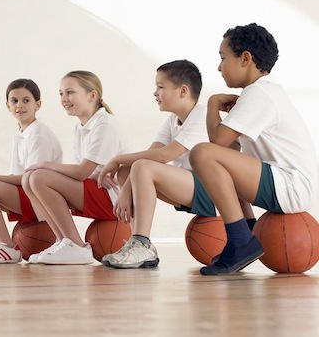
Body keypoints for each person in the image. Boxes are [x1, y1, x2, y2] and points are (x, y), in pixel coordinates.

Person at [189, 23, 318, 275]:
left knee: (201, 153)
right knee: (217, 161)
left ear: (245, 58)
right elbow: (228, 149)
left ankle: (241, 240)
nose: (219, 67)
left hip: (291, 185)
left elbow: (216, 143)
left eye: (223, 58)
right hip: (289, 183)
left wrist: (212, 103)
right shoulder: (262, 93)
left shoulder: (259, 93)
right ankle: (246, 231)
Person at [96, 60, 209, 269]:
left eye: (160, 87)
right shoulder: (173, 120)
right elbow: (150, 154)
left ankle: (141, 242)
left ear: (183, 91)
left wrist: (116, 159)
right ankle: (138, 245)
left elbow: (165, 155)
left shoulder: (201, 116)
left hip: (210, 192)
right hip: (188, 187)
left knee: (138, 166)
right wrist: (125, 187)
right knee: (128, 170)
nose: (155, 93)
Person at [22, 70, 131, 265]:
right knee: (29, 179)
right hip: (97, 189)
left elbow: (81, 171)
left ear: (92, 95)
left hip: (114, 199)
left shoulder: (105, 124)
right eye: (61, 93)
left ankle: (77, 246)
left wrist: (47, 165)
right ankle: (63, 240)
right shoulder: (80, 127)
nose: (64, 99)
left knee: (38, 177)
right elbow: (84, 172)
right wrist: (90, 174)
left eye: (70, 92)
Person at [0, 79, 62, 264]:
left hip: (40, 199)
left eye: (26, 100)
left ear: (38, 105)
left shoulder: (39, 133)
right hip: (26, 192)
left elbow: (30, 179)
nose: (20, 105)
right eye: (14, 101)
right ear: (7, 106)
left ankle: (8, 247)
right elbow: (15, 177)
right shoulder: (21, 134)